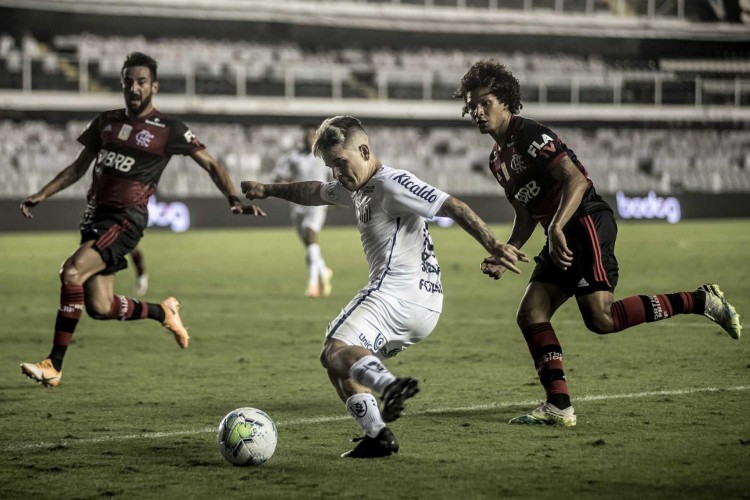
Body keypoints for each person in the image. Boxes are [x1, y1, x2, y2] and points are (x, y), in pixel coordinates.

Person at [453, 59, 743, 427]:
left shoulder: (528, 134)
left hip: (585, 220)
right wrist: (502, 249)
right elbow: (526, 215)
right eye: (471, 105)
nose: (477, 111)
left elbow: (575, 180)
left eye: (485, 103)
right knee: (531, 313)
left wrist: (557, 225)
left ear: (506, 101)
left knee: (602, 319)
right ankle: (559, 406)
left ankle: (701, 300)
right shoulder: (497, 160)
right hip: (560, 231)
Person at [242, 115, 528, 458]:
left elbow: (452, 205)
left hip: (398, 293)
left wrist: (493, 244)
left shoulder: (391, 183)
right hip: (423, 305)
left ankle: (391, 386)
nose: (337, 173)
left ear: (364, 150)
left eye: (340, 163)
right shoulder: (357, 188)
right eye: (331, 166)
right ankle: (377, 435)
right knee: (337, 361)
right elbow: (314, 192)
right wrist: (268, 190)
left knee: (336, 347)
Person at [19, 52, 265, 388]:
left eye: (141, 81)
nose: (134, 87)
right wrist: (43, 194)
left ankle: (54, 365)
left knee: (71, 271)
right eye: (128, 81)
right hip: (95, 217)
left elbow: (212, 164)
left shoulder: (169, 129)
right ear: (121, 84)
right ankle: (163, 312)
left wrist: (233, 199)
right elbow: (78, 168)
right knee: (100, 306)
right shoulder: (105, 122)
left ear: (154, 87)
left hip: (126, 219)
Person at [272, 124, 333, 297]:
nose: (309, 139)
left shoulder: (324, 156)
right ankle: (323, 270)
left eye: (312, 136)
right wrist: (288, 180)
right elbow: (277, 175)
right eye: (307, 136)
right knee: (308, 244)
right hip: (298, 205)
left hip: (317, 202)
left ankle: (313, 285)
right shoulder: (293, 156)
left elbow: (334, 177)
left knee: (310, 235)